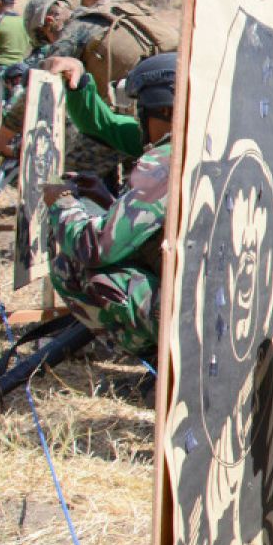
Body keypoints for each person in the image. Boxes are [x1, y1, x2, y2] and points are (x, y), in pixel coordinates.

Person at [43, 52, 177, 358]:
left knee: (75, 267)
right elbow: (104, 124)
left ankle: (160, 362)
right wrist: (108, 200)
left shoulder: (166, 157)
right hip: (229, 308)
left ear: (164, 109)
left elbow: (96, 247)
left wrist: (61, 202)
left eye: (140, 110)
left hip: (191, 317)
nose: (136, 119)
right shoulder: (214, 143)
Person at [0, 0, 133, 188]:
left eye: (46, 39)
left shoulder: (71, 33)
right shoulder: (104, 22)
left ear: (49, 21)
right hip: (154, 115)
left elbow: (39, 88)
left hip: (133, 119)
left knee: (66, 176)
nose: (50, 44)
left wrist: (2, 136)